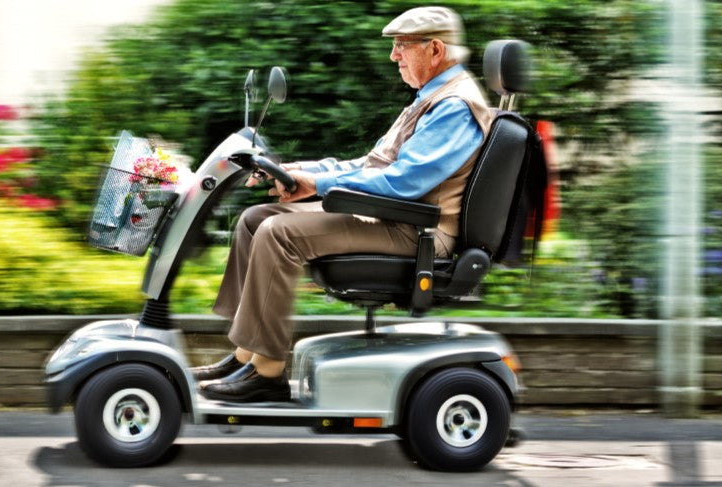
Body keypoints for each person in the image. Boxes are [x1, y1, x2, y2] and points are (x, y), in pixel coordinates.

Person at [192, 6, 496, 403]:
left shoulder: (454, 106)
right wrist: (300, 171)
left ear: (435, 49)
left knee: (278, 232)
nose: (393, 56)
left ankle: (267, 372)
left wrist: (318, 184)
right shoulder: (432, 97)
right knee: (255, 219)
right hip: (394, 217)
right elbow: (370, 165)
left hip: (417, 229)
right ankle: (245, 355)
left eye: (402, 45)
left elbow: (404, 182)